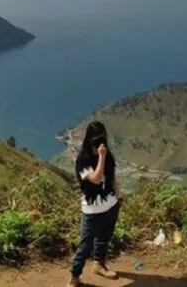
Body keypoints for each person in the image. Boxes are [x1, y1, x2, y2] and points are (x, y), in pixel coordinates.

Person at [67, 121, 122, 286]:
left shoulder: (108, 155)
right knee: (85, 245)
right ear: (89, 139)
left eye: (102, 138)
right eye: (96, 138)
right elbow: (96, 179)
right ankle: (75, 277)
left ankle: (99, 264)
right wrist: (101, 157)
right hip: (91, 209)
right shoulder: (83, 160)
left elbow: (111, 175)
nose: (100, 142)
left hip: (110, 205)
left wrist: (118, 194)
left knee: (104, 237)